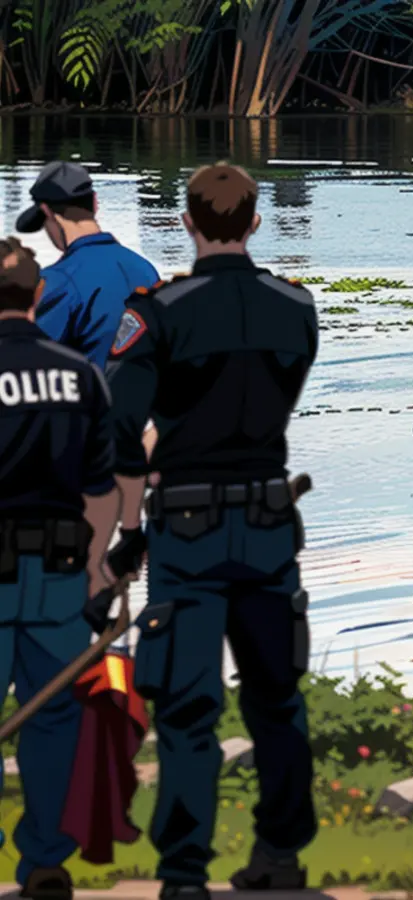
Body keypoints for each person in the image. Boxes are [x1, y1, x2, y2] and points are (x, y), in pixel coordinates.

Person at [94, 162, 319, 900]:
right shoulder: (296, 308)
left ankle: (184, 872)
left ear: (188, 222)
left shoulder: (158, 312)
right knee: (276, 696)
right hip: (266, 517)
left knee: (189, 704)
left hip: (187, 527)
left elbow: (120, 428)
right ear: (255, 222)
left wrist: (136, 499)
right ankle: (281, 855)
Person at [0, 235, 120, 900]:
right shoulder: (80, 377)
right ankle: (45, 859)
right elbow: (100, 488)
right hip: (59, 570)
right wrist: (98, 568)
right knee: (53, 720)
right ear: (39, 294)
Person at [14, 160, 160, 371]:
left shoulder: (57, 281)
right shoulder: (146, 270)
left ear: (47, 212)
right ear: (95, 202)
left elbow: (29, 363)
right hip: (144, 399)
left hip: (92, 400)